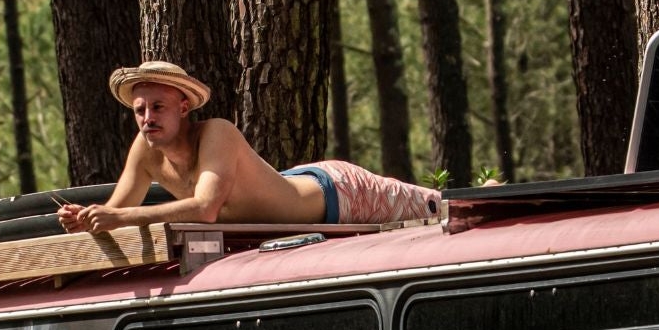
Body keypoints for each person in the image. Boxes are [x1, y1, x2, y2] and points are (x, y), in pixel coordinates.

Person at [55, 61, 442, 234]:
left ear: (184, 108)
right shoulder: (145, 149)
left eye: (158, 107)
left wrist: (117, 219)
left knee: (442, 209)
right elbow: (115, 210)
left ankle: (479, 194)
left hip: (338, 192)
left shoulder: (216, 133)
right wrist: (84, 220)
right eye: (140, 110)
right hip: (292, 191)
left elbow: (206, 209)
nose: (147, 118)